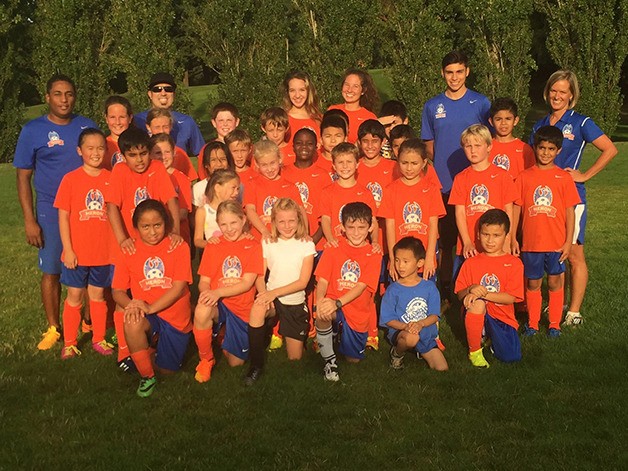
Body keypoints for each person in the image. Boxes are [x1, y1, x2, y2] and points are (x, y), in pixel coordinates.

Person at [14, 73, 98, 350]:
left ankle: (88, 321)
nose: (64, 100)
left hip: (85, 208)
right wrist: (30, 220)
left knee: (86, 264)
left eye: (69, 94)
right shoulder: (32, 130)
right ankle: (54, 327)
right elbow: (23, 177)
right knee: (51, 270)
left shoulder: (86, 126)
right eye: (58, 94)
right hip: (50, 208)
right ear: (47, 97)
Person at [530, 70, 618, 325]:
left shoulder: (581, 122)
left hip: (571, 197)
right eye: (554, 90)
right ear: (547, 92)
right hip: (544, 199)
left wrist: (585, 175)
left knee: (575, 254)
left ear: (572, 96)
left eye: (563, 92)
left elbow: (610, 149)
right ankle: (560, 302)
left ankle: (574, 312)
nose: (557, 95)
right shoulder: (540, 124)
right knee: (556, 251)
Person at [105, 127, 181, 370]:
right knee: (123, 296)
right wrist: (122, 239)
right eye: (133, 155)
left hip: (154, 240)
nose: (139, 160)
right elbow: (112, 207)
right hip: (128, 244)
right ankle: (125, 351)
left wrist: (176, 231)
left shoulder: (157, 169)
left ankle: (154, 336)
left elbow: (171, 199)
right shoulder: (119, 171)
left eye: (144, 154)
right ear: (123, 155)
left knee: (157, 286)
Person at [421, 51, 491, 295]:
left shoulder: (481, 103)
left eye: (459, 71)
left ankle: (479, 285)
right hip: (444, 185)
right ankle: (447, 289)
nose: (454, 77)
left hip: (477, 186)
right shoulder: (432, 106)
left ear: (467, 72)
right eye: (449, 72)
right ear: (443, 73)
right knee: (447, 241)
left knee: (479, 238)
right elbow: (429, 146)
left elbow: (487, 140)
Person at [112, 199, 192, 398]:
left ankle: (147, 352)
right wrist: (132, 306)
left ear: (166, 222)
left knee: (168, 371)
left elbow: (178, 287)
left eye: (157, 225)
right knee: (132, 321)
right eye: (145, 227)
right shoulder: (129, 250)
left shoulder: (178, 246)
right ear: (136, 228)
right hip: (148, 314)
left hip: (175, 317)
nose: (153, 232)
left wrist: (150, 308)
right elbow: (117, 291)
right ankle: (147, 376)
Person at [514, 126, 581, 337]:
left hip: (556, 243)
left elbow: (570, 213)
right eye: (541, 148)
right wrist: (511, 237)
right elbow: (517, 208)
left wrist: (568, 242)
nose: (545, 153)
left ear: (558, 151)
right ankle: (533, 323)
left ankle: (554, 324)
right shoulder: (524, 177)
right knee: (533, 282)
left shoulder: (563, 178)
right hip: (531, 243)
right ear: (535, 148)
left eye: (551, 149)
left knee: (554, 281)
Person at [54, 128, 114, 359]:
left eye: (100, 147)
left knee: (97, 296)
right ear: (80, 151)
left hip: (103, 252)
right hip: (77, 253)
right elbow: (63, 216)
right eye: (90, 148)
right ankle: (69, 342)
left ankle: (99, 338)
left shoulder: (111, 178)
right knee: (75, 296)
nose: (96, 152)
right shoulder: (70, 179)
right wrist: (68, 249)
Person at [193, 200, 264, 384]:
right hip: (220, 304)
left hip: (241, 309)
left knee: (235, 363)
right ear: (218, 225)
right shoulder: (213, 245)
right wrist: (208, 294)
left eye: (233, 223)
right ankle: (206, 359)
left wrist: (217, 293)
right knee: (202, 309)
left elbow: (247, 283)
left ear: (243, 220)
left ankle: (222, 333)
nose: (229, 229)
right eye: (223, 224)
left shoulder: (253, 246)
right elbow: (204, 282)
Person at [314, 202, 383, 381]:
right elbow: (322, 280)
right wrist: (320, 301)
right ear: (343, 227)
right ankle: (330, 362)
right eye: (351, 227)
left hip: (356, 310)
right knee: (323, 313)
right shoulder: (334, 248)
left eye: (361, 227)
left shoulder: (374, 253)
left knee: (353, 360)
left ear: (370, 227)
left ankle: (337, 334)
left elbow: (361, 286)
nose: (356, 232)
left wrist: (337, 303)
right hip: (334, 303)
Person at [455, 209, 524, 368]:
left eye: (496, 235)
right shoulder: (471, 263)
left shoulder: (514, 264)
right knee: (478, 304)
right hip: (476, 311)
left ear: (506, 236)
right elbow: (459, 294)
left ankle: (489, 338)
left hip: (502, 317)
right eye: (486, 234)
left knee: (511, 357)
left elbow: (511, 298)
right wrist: (471, 289)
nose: (490, 240)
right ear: (478, 234)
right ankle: (475, 351)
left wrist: (484, 293)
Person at [449, 124, 516, 281]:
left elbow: (508, 211)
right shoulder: (461, 178)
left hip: (495, 243)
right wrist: (466, 242)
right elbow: (459, 212)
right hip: (470, 244)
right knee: (467, 286)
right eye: (468, 146)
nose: (473, 150)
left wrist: (507, 239)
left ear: (489, 146)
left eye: (478, 145)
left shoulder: (502, 176)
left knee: (495, 283)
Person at [253, 197, 316, 362]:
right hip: (272, 300)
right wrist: (264, 294)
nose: (287, 226)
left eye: (291, 221)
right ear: (274, 222)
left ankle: (291, 335)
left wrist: (273, 293)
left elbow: (302, 282)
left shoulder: (306, 244)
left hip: (293, 301)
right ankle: (256, 361)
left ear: (298, 220)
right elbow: (260, 275)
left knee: (294, 358)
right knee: (258, 309)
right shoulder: (268, 242)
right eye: (282, 222)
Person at [379, 138, 445, 282]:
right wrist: (392, 258)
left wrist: (429, 258)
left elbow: (433, 225)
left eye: (414, 163)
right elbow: (389, 226)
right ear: (397, 161)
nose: (409, 168)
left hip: (423, 257)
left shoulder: (431, 190)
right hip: (400, 260)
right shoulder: (390, 190)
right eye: (404, 163)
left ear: (424, 163)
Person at [380, 237, 448, 371]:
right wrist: (406, 326)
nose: (400, 266)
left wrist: (420, 324)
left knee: (442, 368)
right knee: (411, 338)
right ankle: (397, 354)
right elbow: (388, 320)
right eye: (397, 260)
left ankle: (420, 349)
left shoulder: (429, 287)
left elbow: (434, 316)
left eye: (406, 261)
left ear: (420, 262)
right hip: (403, 332)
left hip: (424, 332)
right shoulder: (393, 289)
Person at [319, 143, 379, 248]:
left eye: (349, 162)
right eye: (340, 162)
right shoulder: (327, 192)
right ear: (334, 166)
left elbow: (373, 220)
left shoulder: (365, 193)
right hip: (336, 246)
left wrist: (374, 241)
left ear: (357, 164)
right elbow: (325, 219)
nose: (345, 166)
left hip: (358, 247)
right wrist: (330, 239)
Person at [243, 140, 305, 241]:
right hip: (260, 240)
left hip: (285, 241)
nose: (270, 169)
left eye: (272, 163)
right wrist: (264, 231)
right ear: (257, 165)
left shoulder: (290, 186)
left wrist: (304, 233)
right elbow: (250, 211)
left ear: (279, 159)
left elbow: (300, 211)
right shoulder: (252, 184)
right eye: (264, 165)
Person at [133, 72, 205, 157]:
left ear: (174, 94)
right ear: (150, 94)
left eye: (168, 89)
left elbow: (201, 154)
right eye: (157, 89)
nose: (163, 93)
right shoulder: (137, 121)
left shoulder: (187, 122)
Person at [282, 128, 332, 248]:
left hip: (318, 243)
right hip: (288, 243)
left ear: (316, 147)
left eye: (309, 144)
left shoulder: (323, 175)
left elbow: (327, 213)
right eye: (299, 143)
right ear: (293, 147)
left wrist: (314, 239)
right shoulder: (283, 172)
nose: (304, 147)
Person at [149, 133, 193, 248]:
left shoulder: (182, 179)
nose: (163, 156)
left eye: (167, 152)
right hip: (153, 234)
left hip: (177, 234)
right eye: (158, 153)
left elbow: (183, 212)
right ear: (150, 155)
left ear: (174, 153)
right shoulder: (148, 177)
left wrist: (161, 223)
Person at [145, 108, 198, 182]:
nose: (161, 131)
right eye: (157, 127)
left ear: (171, 126)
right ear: (148, 127)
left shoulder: (179, 153)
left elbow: (189, 181)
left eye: (165, 127)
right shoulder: (143, 153)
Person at [328, 69, 379, 144]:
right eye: (347, 85)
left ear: (363, 91)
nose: (349, 90)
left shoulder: (369, 117)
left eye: (355, 86)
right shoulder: (332, 110)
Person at [488, 97, 534, 179]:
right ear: (491, 122)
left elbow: (531, 177)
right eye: (498, 119)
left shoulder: (524, 149)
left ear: (515, 121)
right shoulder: (486, 147)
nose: (503, 123)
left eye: (508, 119)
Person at [194, 169, 240, 249]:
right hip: (215, 255)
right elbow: (197, 240)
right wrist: (209, 243)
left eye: (238, 189)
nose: (236, 193)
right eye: (233, 188)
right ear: (217, 188)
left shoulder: (236, 209)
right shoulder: (203, 211)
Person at [281, 71, 322, 142]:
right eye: (292, 90)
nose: (297, 95)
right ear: (287, 93)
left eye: (302, 90)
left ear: (309, 91)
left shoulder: (319, 118)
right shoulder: (282, 118)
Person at [192, 141, 233, 208]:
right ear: (206, 164)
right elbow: (194, 215)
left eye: (223, 159)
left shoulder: (237, 186)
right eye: (213, 160)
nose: (219, 164)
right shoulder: (198, 188)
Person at [103, 95, 134, 170]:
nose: (117, 122)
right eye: (112, 117)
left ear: (130, 118)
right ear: (106, 118)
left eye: (122, 117)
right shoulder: (102, 145)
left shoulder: (139, 143)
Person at [317, 114, 347, 179]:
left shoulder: (351, 161)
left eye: (338, 136)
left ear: (345, 139)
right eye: (328, 136)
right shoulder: (314, 159)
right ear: (321, 140)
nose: (333, 140)